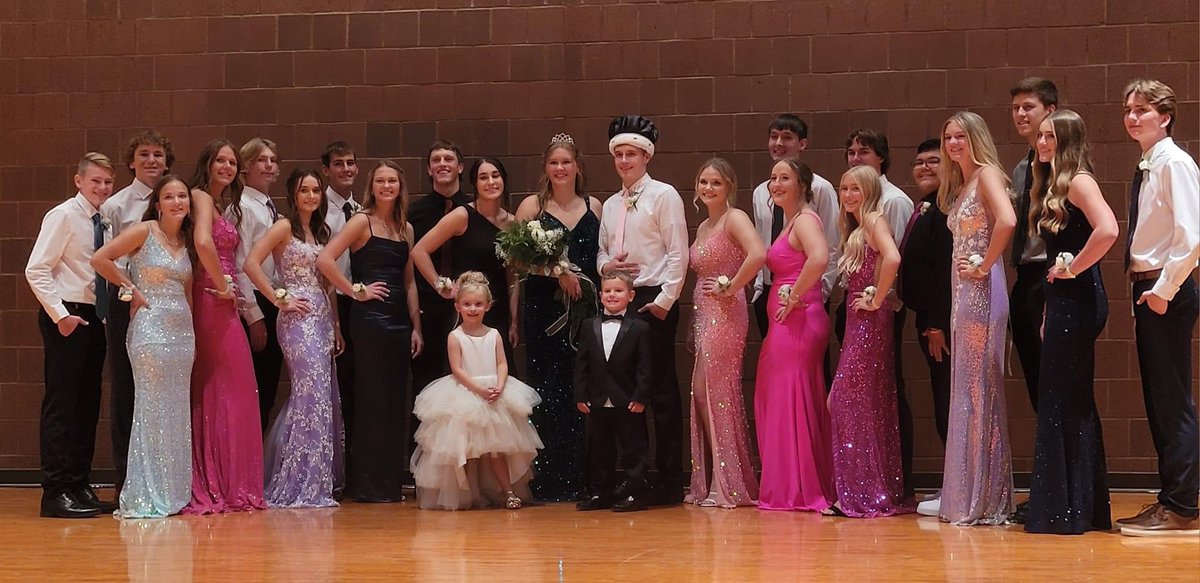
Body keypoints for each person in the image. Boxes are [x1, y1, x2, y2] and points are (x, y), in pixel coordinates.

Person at [1024, 109, 1118, 535]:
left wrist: (1074, 269)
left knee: (1063, 399)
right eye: (1041, 136)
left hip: (1078, 300)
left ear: (1070, 141)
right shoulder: (1050, 182)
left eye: (1052, 137)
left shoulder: (1079, 181)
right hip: (1062, 302)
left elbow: (1108, 230)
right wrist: (1049, 305)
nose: (1044, 144)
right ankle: (1079, 506)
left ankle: (1066, 510)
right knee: (1066, 398)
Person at [1116, 79, 1199, 537]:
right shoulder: (1148, 165)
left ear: (1164, 116)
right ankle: (1172, 498)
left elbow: (1191, 237)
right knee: (1158, 401)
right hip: (1149, 291)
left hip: (1166, 291)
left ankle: (1182, 507)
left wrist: (1164, 290)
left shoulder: (1175, 164)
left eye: (1142, 109)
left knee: (1172, 402)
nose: (1132, 117)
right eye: (1128, 109)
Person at [316, 160, 423, 503]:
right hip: (370, 321)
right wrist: (354, 290)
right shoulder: (361, 221)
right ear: (372, 186)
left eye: (392, 180)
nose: (387, 186)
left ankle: (388, 483)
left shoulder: (405, 228)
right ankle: (366, 484)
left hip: (398, 323)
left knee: (395, 402)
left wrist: (416, 326)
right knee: (371, 400)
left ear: (399, 186)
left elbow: (409, 281)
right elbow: (325, 260)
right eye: (381, 181)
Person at [596, 114, 689, 505]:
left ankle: (669, 479)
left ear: (645, 156)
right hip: (622, 301)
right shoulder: (613, 203)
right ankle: (635, 476)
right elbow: (601, 250)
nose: (623, 160)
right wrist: (607, 267)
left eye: (630, 153)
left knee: (661, 393)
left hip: (653, 300)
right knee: (627, 394)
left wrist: (665, 302)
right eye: (618, 154)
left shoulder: (664, 195)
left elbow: (678, 252)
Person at [91, 175, 196, 518]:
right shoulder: (145, 230)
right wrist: (130, 288)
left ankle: (174, 491)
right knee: (151, 410)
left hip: (182, 336)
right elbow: (101, 259)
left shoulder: (186, 240)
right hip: (150, 332)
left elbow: (190, 292)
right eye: (170, 196)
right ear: (158, 203)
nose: (178, 202)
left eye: (182, 196)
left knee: (176, 410)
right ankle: (146, 492)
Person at [25, 153, 117, 518]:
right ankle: (55, 491)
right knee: (62, 406)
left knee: (87, 405)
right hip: (66, 315)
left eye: (108, 182)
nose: (102, 188)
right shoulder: (63, 215)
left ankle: (79, 485)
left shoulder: (104, 221)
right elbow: (37, 270)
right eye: (95, 181)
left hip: (94, 318)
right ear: (79, 181)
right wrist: (61, 316)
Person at [246, 168, 343, 508]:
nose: (312, 196)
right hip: (296, 319)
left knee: (320, 396)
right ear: (294, 194)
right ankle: (293, 480)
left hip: (320, 318)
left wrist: (336, 324)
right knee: (309, 393)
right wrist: (278, 298)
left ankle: (314, 478)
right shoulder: (283, 227)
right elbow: (251, 263)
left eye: (316, 190)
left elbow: (327, 283)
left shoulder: (321, 231)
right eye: (305, 190)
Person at [937, 111, 1016, 525]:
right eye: (948, 137)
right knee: (968, 389)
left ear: (976, 138)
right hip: (963, 294)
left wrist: (985, 265)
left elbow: (1007, 220)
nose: (953, 144)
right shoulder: (962, 182)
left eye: (961, 136)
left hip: (981, 292)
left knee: (978, 389)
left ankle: (984, 497)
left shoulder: (986, 174)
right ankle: (972, 492)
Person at [514, 133, 602, 502]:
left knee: (579, 390)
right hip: (543, 308)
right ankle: (548, 478)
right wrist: (557, 273)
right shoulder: (532, 207)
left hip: (583, 311)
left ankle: (581, 477)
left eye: (567, 162)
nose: (560, 168)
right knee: (546, 390)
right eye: (554, 163)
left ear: (578, 166)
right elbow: (517, 259)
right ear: (546, 168)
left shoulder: (595, 205)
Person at [410, 272, 544, 510]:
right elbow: (457, 369)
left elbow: (502, 362)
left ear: (488, 306)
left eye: (478, 304)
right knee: (462, 447)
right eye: (467, 304)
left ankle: (508, 491)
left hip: (494, 393)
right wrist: (479, 389)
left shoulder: (493, 334)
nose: (473, 309)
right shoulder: (455, 336)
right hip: (466, 393)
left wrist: (500, 385)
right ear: (458, 306)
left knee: (496, 449)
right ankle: (463, 493)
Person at [184, 139, 267, 515]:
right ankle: (218, 481)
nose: (227, 166)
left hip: (224, 300)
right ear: (208, 162)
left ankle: (230, 479)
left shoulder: (223, 204)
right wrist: (220, 284)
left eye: (232, 162)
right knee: (226, 385)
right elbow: (202, 242)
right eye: (220, 160)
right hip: (211, 299)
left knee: (231, 387)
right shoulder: (200, 196)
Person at [828, 165, 912, 518]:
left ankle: (863, 491)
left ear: (870, 191)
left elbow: (893, 257)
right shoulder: (857, 226)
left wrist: (877, 297)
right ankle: (866, 488)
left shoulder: (875, 220)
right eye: (844, 188)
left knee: (846, 400)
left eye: (856, 189)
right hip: (858, 323)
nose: (848, 195)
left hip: (869, 322)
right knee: (860, 402)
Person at [754, 158, 837, 513]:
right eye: (773, 178)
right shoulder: (791, 221)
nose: (775, 184)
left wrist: (795, 294)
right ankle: (793, 482)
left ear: (803, 185)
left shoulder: (804, 220)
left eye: (784, 178)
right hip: (789, 320)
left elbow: (819, 259)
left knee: (791, 397)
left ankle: (798, 488)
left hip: (799, 320)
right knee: (785, 396)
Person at [99, 130, 173, 497]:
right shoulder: (115, 205)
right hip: (127, 299)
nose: (152, 161)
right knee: (127, 389)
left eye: (158, 155)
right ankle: (126, 479)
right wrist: (128, 295)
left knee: (162, 390)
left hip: (168, 303)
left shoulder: (173, 200)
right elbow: (106, 259)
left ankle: (163, 475)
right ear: (132, 161)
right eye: (144, 154)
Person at [686, 158, 763, 508]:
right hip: (704, 314)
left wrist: (732, 286)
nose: (708, 188)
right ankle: (721, 475)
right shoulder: (703, 226)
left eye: (715, 182)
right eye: (703, 182)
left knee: (714, 390)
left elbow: (758, 254)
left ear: (729, 186)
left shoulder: (735, 219)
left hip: (727, 313)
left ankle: (727, 481)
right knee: (704, 392)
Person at [412, 157, 519, 370]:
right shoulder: (462, 215)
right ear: (475, 184)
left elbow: (513, 276)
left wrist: (514, 320)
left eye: (495, 176)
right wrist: (441, 286)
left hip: (496, 311)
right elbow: (419, 251)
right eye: (483, 177)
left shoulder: (512, 223)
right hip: (466, 310)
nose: (490, 182)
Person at [901, 140, 954, 517]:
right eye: (918, 162)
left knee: (948, 401)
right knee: (941, 400)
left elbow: (943, 271)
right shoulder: (927, 206)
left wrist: (936, 323)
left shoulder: (946, 209)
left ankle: (958, 485)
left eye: (933, 162)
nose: (923, 168)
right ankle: (954, 481)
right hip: (927, 320)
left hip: (942, 322)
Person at [750, 115, 840, 336]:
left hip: (806, 290)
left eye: (787, 137)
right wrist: (760, 286)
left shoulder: (821, 188)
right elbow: (763, 241)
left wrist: (822, 290)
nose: (779, 143)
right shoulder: (762, 192)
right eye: (774, 137)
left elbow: (832, 241)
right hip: (770, 289)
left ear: (802, 144)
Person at [574, 272, 653, 512]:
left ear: (630, 296)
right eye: (607, 290)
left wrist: (640, 397)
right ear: (600, 295)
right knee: (599, 448)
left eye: (618, 291)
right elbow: (582, 364)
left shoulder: (640, 328)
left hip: (628, 399)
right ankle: (600, 492)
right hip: (597, 400)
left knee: (633, 448)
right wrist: (580, 395)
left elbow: (645, 367)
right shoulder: (589, 326)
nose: (612, 295)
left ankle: (635, 493)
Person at [1007, 77, 1057, 418]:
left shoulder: (1063, 167)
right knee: (1036, 382)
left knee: (1058, 384)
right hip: (1024, 275)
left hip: (1051, 274)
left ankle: (1079, 472)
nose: (1021, 114)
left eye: (1029, 107)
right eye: (1016, 108)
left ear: (1050, 111)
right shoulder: (1022, 167)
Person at [408, 142, 469, 423]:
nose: (442, 163)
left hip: (466, 309)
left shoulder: (474, 209)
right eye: (436, 159)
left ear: (460, 167)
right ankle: (423, 459)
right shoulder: (414, 213)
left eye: (449, 158)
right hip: (427, 308)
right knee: (426, 383)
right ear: (429, 169)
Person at [229, 138, 285, 430]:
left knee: (268, 390)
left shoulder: (268, 206)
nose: (269, 165)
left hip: (273, 299)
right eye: (261, 160)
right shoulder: (241, 208)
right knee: (255, 390)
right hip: (256, 304)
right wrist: (254, 317)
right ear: (246, 166)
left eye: (273, 160)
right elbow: (239, 265)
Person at [320, 141, 360, 474]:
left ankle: (354, 465)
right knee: (338, 387)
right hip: (331, 305)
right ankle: (335, 469)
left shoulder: (362, 210)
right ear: (326, 170)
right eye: (338, 164)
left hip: (359, 304)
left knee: (357, 387)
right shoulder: (320, 210)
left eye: (350, 163)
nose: (345, 169)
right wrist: (332, 321)